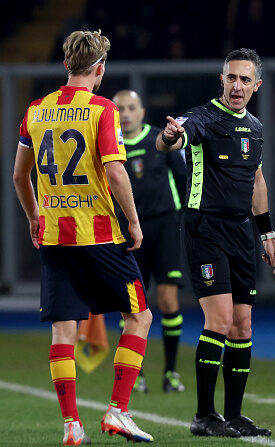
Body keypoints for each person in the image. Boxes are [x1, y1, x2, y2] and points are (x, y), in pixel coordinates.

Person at [13, 30, 153, 444]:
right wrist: (133, 222)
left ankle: (71, 426)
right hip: (99, 235)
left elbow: (20, 175)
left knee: (63, 330)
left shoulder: (35, 110)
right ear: (100, 69)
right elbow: (114, 170)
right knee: (139, 315)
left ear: (65, 66)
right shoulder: (102, 109)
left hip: (54, 237)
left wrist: (34, 215)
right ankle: (118, 412)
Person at [155, 48, 275, 438]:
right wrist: (169, 134)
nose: (237, 85)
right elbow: (169, 142)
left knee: (243, 325)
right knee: (220, 321)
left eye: (245, 79)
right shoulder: (202, 118)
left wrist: (267, 234)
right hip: (204, 229)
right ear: (221, 80)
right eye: (231, 77)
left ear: (256, 85)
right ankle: (204, 416)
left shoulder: (256, 128)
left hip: (242, 232)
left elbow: (257, 182)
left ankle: (235, 415)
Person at [112, 90, 186, 393]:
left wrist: (183, 219)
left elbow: (182, 178)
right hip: (127, 232)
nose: (126, 113)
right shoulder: (109, 145)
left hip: (165, 227)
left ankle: (170, 373)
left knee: (168, 300)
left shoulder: (160, 140)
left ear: (142, 112)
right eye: (120, 109)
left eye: (131, 108)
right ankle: (136, 374)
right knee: (130, 307)